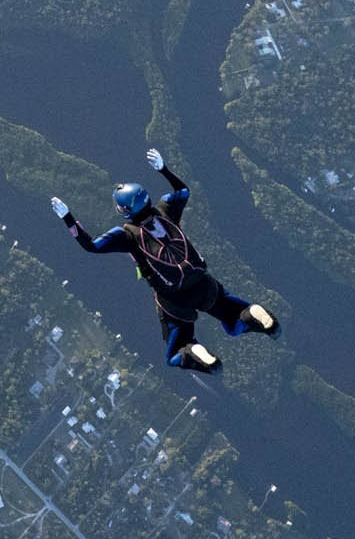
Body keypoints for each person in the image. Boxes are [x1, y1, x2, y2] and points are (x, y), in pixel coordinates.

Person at [54, 150, 279, 373]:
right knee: (233, 321)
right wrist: (163, 169)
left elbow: (91, 245)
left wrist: (68, 218)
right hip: (202, 282)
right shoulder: (165, 210)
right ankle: (251, 314)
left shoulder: (126, 235)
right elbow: (183, 191)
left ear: (124, 210)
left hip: (174, 299)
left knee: (174, 353)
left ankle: (193, 351)